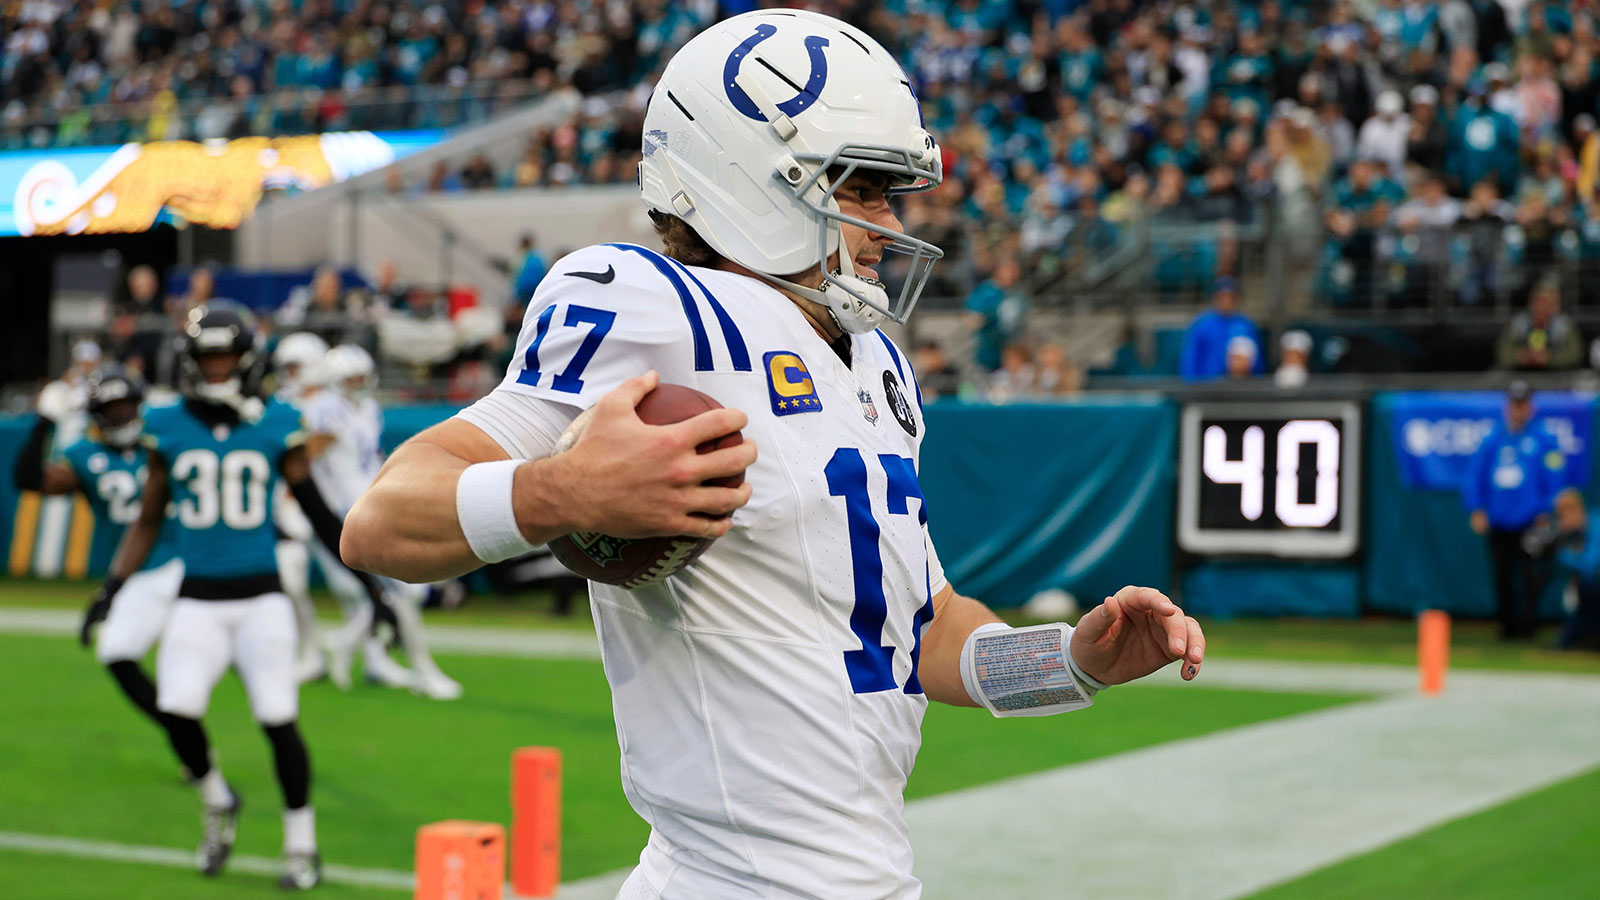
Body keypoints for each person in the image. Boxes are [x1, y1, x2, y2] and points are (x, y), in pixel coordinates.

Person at [341, 10, 1206, 899]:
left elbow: (925, 631)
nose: (885, 225)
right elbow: (379, 523)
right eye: (862, 192)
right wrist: (553, 493)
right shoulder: (655, 305)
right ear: (750, 182)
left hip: (871, 876)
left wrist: (1071, 663)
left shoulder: (875, 361)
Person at [104, 303, 368, 888]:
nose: (216, 368)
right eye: (207, 357)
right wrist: (113, 587)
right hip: (196, 597)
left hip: (261, 598)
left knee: (277, 716)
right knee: (176, 711)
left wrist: (366, 576)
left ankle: (302, 842)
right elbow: (148, 520)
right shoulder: (167, 424)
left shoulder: (277, 420)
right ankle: (218, 799)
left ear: (246, 360)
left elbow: (318, 510)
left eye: (225, 357)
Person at [12, 366, 191, 775]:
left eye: (128, 407)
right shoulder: (84, 458)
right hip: (136, 576)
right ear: (97, 416)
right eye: (112, 410)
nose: (123, 416)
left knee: (184, 670)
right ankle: (183, 735)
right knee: (117, 654)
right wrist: (44, 421)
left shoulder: (164, 442)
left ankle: (191, 742)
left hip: (181, 563)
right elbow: (28, 479)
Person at [304, 344, 460, 699]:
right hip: (347, 512)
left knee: (403, 592)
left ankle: (347, 643)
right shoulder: (325, 410)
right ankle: (425, 672)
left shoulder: (367, 408)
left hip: (372, 505)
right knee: (404, 592)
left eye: (361, 377)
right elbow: (308, 464)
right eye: (350, 378)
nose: (358, 384)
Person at [1464, 382, 1566, 640]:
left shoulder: (1544, 437)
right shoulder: (1493, 437)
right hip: (1499, 518)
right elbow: (1476, 474)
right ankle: (1506, 624)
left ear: (1530, 406)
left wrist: (1546, 509)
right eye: (1514, 404)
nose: (1518, 409)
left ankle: (1529, 624)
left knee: (1530, 575)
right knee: (1502, 575)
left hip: (1530, 518)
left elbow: (1554, 476)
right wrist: (1477, 507)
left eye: (1523, 404)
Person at [1180, 276, 1264, 381]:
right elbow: (1190, 360)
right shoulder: (1202, 325)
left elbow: (1257, 362)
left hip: (1238, 387)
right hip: (1205, 387)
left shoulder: (1246, 325)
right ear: (1215, 299)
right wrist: (1191, 386)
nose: (1226, 301)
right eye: (1222, 297)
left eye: (1230, 297)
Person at [1496, 276, 1582, 371]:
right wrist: (1522, 357)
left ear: (1556, 307)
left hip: (1556, 376)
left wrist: (1549, 358)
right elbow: (1503, 353)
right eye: (1539, 301)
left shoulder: (1564, 326)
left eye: (1548, 303)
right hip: (1520, 374)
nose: (1542, 307)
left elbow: (1574, 355)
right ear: (1531, 302)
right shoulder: (1518, 324)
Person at [1551, 488, 1600, 650]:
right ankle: (1573, 639)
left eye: (1566, 513)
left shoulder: (1595, 525)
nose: (1564, 519)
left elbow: (1591, 565)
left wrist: (1565, 554)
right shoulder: (1572, 532)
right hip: (1584, 584)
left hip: (1592, 584)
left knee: (1587, 588)